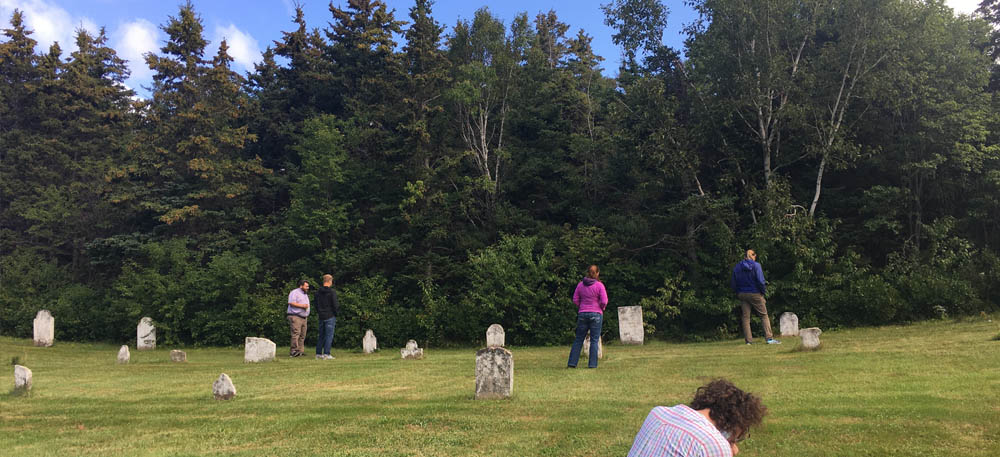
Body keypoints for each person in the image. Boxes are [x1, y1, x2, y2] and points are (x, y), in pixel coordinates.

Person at [627, 378, 768, 457]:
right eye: (737, 438)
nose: (735, 447)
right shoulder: (712, 444)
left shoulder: (658, 414)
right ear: (736, 422)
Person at [730, 250, 780, 345]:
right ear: (752, 256)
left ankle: (748, 341)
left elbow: (733, 282)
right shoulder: (756, 265)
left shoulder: (737, 267)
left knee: (745, 317)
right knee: (763, 315)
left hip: (742, 294)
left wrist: (738, 292)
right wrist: (763, 292)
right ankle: (769, 338)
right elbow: (760, 281)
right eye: (755, 255)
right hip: (755, 293)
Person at [567, 265, 608, 368]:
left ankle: (572, 363)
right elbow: (604, 301)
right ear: (597, 273)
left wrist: (582, 306)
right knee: (594, 340)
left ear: (587, 272)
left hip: (582, 314)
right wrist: (601, 308)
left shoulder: (580, 285)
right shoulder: (599, 285)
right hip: (596, 314)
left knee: (579, 339)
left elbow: (575, 299)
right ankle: (592, 364)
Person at [314, 274, 340, 360]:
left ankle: (318, 353)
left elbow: (316, 305)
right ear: (330, 281)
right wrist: (336, 313)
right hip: (330, 315)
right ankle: (326, 353)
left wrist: (319, 312)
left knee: (321, 335)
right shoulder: (332, 292)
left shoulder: (317, 292)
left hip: (321, 315)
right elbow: (335, 304)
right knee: (329, 335)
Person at [287, 279, 311, 357]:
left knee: (302, 335)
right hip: (295, 316)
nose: (308, 288)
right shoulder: (294, 292)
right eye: (306, 286)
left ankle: (300, 351)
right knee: (296, 333)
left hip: (304, 317)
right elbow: (291, 303)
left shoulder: (304, 294)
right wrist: (303, 306)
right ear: (301, 286)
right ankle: (293, 351)